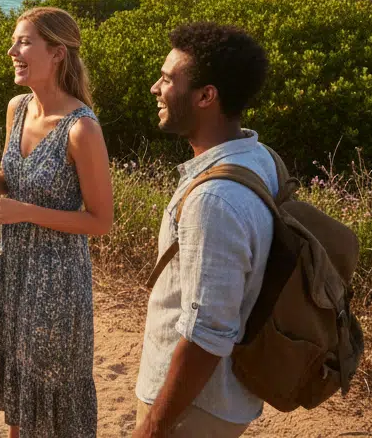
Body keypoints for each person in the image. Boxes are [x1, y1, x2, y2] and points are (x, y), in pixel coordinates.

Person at [0, 6, 113, 438]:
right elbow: (18, 184)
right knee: (19, 385)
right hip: (11, 267)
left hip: (57, 278)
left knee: (49, 388)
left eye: (24, 42)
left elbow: (101, 221)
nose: (12, 50)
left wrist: (24, 212)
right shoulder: (18, 107)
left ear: (58, 53)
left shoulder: (82, 129)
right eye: (15, 41)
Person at [133, 23, 273, 438]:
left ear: (206, 96)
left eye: (168, 79)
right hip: (218, 399)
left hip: (195, 408)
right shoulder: (259, 157)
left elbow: (207, 334)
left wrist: (154, 426)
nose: (156, 88)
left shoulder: (213, 200)